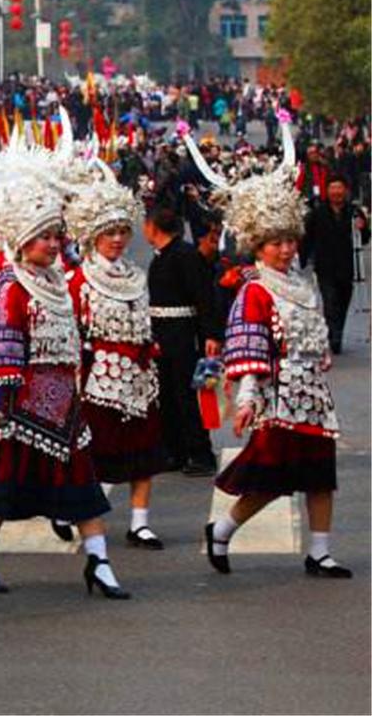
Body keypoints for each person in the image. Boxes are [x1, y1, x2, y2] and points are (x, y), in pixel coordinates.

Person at [0, 178, 126, 599]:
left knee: (84, 487)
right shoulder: (10, 288)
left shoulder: (58, 282)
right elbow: (1, 349)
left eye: (57, 236)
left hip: (65, 404)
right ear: (22, 241)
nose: (53, 244)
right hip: (21, 406)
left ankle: (100, 562)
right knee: (0, 488)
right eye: (44, 237)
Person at [204, 160, 352, 579]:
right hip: (277, 395)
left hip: (313, 396)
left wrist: (321, 356)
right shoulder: (254, 290)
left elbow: (316, 335)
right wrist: (247, 399)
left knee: (322, 476)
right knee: (270, 479)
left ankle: (320, 552)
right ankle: (223, 528)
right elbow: (249, 347)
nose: (286, 249)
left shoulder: (302, 284)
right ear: (257, 246)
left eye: (290, 240)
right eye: (275, 243)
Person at [66, 175, 166, 548]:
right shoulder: (78, 281)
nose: (117, 239)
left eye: (123, 231)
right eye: (110, 232)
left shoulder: (138, 276)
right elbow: (72, 333)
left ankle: (140, 522)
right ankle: (83, 509)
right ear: (94, 236)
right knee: (97, 452)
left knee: (146, 452)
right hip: (98, 379)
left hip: (140, 375)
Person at [143, 205, 222, 475]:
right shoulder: (163, 256)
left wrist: (211, 334)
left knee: (188, 395)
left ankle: (201, 453)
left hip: (183, 334)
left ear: (153, 227)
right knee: (166, 395)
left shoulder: (185, 255)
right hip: (163, 335)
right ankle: (174, 451)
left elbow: (203, 297)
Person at [300, 175, 370, 354]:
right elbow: (307, 238)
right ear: (327, 190)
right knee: (330, 301)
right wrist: (301, 260)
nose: (336, 192)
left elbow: (364, 239)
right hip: (325, 265)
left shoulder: (354, 212)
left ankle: (336, 331)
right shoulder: (317, 212)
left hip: (347, 267)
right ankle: (334, 336)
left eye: (339, 188)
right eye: (333, 188)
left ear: (345, 190)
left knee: (343, 301)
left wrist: (363, 228)